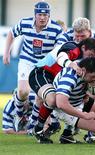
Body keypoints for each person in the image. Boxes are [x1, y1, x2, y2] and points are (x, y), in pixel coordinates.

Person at [3, 1, 64, 132]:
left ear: (49, 15)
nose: (42, 17)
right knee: (23, 91)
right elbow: (11, 33)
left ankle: (33, 124)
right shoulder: (25, 23)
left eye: (45, 15)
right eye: (40, 14)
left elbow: (60, 49)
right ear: (35, 15)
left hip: (45, 65)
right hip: (27, 60)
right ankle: (19, 116)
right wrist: (6, 52)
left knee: (40, 97)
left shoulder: (56, 29)